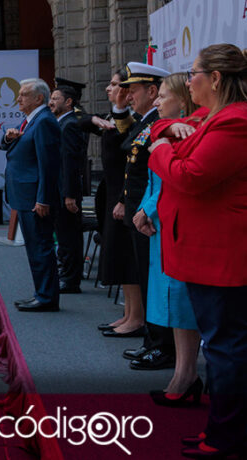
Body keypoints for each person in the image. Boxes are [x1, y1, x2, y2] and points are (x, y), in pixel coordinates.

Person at [148, 44, 247, 459]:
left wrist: (163, 151)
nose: (188, 82)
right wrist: (167, 135)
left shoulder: (234, 123)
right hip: (208, 253)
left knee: (226, 348)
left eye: (193, 74)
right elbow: (157, 127)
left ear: (217, 79)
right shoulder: (212, 118)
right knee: (222, 345)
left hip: (221, 255)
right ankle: (223, 431)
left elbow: (192, 176)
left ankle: (228, 439)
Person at [132, 73, 203, 407]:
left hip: (174, 224)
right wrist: (145, 208)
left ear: (183, 100)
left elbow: (171, 180)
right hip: (160, 221)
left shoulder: (189, 130)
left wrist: (147, 209)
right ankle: (183, 371)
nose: (157, 102)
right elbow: (153, 178)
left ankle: (186, 373)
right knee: (173, 303)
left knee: (182, 301)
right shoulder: (168, 128)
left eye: (163, 96)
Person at [108, 64, 175, 376]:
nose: (127, 95)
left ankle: (161, 343)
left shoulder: (163, 124)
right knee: (146, 275)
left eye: (132, 90)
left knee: (154, 280)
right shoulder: (148, 123)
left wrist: (142, 207)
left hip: (149, 210)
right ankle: (154, 339)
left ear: (152, 92)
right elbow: (128, 144)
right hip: (140, 207)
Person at [85, 70, 145, 347]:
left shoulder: (127, 119)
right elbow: (76, 118)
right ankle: (129, 313)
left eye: (116, 84)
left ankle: (136, 316)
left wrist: (120, 107)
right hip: (111, 193)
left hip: (123, 195)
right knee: (119, 255)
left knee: (127, 257)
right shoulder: (113, 116)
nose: (110, 88)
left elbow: (126, 147)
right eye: (110, 84)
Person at [0, 78, 61, 312]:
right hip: (25, 195)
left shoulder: (44, 121)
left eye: (23, 94)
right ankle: (41, 293)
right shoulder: (30, 120)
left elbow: (48, 165)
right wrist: (8, 137)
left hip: (35, 198)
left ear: (38, 98)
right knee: (35, 248)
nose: (18, 98)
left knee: (41, 248)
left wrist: (43, 198)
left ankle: (46, 297)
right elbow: (10, 146)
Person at [49, 78, 88, 293]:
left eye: (56, 99)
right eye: (51, 98)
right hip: (60, 189)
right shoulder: (62, 122)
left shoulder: (71, 124)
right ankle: (66, 274)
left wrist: (70, 194)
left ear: (69, 101)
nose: (51, 102)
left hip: (67, 191)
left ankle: (71, 280)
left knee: (69, 236)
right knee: (63, 236)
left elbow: (71, 162)